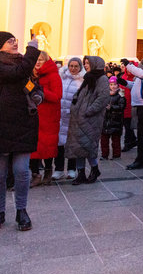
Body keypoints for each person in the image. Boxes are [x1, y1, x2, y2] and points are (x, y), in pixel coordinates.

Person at [0, 27, 40, 231]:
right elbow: (17, 73)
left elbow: (31, 83)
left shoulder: (22, 63)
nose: (15, 43)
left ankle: (21, 211)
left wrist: (36, 95)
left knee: (22, 171)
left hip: (22, 123)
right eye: (10, 41)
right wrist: (33, 50)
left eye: (15, 40)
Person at [66, 56, 108, 184]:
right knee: (78, 147)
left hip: (91, 119)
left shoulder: (102, 78)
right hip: (79, 119)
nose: (86, 65)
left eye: (88, 63)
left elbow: (103, 98)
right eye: (85, 63)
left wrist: (88, 111)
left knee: (88, 146)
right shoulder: (88, 77)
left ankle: (94, 169)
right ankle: (81, 173)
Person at [29, 52, 62, 187]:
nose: (37, 62)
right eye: (36, 60)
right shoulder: (31, 76)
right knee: (32, 146)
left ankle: (48, 172)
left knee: (47, 146)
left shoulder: (53, 75)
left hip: (48, 117)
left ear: (46, 61)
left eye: (41, 60)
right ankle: (35, 174)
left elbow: (57, 96)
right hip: (33, 116)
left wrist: (41, 89)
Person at [101, 76, 126, 159]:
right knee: (104, 140)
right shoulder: (105, 94)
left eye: (115, 84)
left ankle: (116, 155)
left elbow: (122, 106)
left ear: (118, 85)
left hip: (116, 120)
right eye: (111, 84)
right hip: (105, 121)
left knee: (116, 140)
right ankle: (104, 155)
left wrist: (112, 107)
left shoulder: (120, 95)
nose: (113, 86)